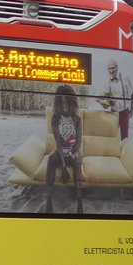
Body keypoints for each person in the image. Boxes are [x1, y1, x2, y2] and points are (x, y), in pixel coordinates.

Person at [44, 84, 83, 214]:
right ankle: (48, 201)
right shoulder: (55, 118)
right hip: (61, 152)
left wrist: (71, 154)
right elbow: (58, 144)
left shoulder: (77, 119)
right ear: (58, 102)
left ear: (72, 102)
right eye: (62, 102)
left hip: (73, 152)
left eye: (67, 102)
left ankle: (80, 203)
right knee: (50, 159)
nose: (65, 105)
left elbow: (78, 143)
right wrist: (64, 166)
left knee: (77, 158)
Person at [98, 58, 133, 139]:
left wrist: (132, 108)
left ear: (117, 67)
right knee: (112, 135)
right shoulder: (106, 82)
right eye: (109, 68)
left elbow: (132, 92)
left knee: (125, 137)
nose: (111, 70)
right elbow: (106, 102)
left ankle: (123, 151)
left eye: (113, 68)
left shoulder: (125, 78)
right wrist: (103, 103)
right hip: (113, 112)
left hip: (124, 111)